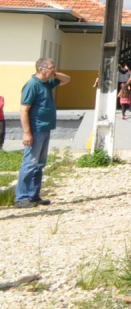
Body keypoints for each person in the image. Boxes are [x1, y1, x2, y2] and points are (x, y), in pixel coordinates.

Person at [15, 57, 68, 208]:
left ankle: (34, 195)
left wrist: (55, 74)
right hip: (35, 129)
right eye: (51, 67)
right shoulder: (32, 85)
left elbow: (67, 79)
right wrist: (27, 133)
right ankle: (22, 197)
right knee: (29, 163)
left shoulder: (47, 83)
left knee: (39, 164)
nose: (54, 69)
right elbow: (24, 110)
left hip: (45, 128)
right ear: (41, 68)